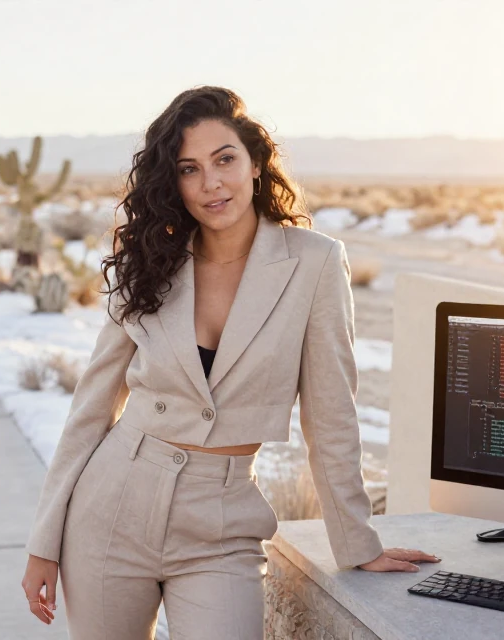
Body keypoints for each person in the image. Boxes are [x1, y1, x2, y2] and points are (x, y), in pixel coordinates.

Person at [21, 85, 438, 638]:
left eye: (225, 160)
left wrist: (357, 543)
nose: (211, 183)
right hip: (111, 507)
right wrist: (43, 542)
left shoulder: (313, 263)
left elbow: (332, 413)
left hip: (222, 522)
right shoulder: (149, 262)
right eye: (189, 169)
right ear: (173, 182)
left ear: (257, 165)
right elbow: (91, 408)